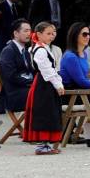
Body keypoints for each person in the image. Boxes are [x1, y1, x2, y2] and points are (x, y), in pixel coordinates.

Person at [22, 21, 65, 155]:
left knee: (49, 112)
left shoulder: (42, 47)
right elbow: (47, 69)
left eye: (53, 33)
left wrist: (58, 81)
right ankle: (42, 145)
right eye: (48, 33)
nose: (52, 36)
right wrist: (58, 84)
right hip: (43, 84)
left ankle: (46, 144)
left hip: (45, 83)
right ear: (39, 34)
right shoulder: (40, 50)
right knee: (44, 112)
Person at [0, 19, 36, 115]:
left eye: (30, 30)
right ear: (16, 33)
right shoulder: (8, 51)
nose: (29, 34)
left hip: (26, 89)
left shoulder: (25, 51)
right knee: (46, 94)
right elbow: (11, 76)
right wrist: (32, 83)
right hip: (15, 94)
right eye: (25, 31)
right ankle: (44, 129)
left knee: (52, 90)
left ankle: (62, 128)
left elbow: (31, 71)